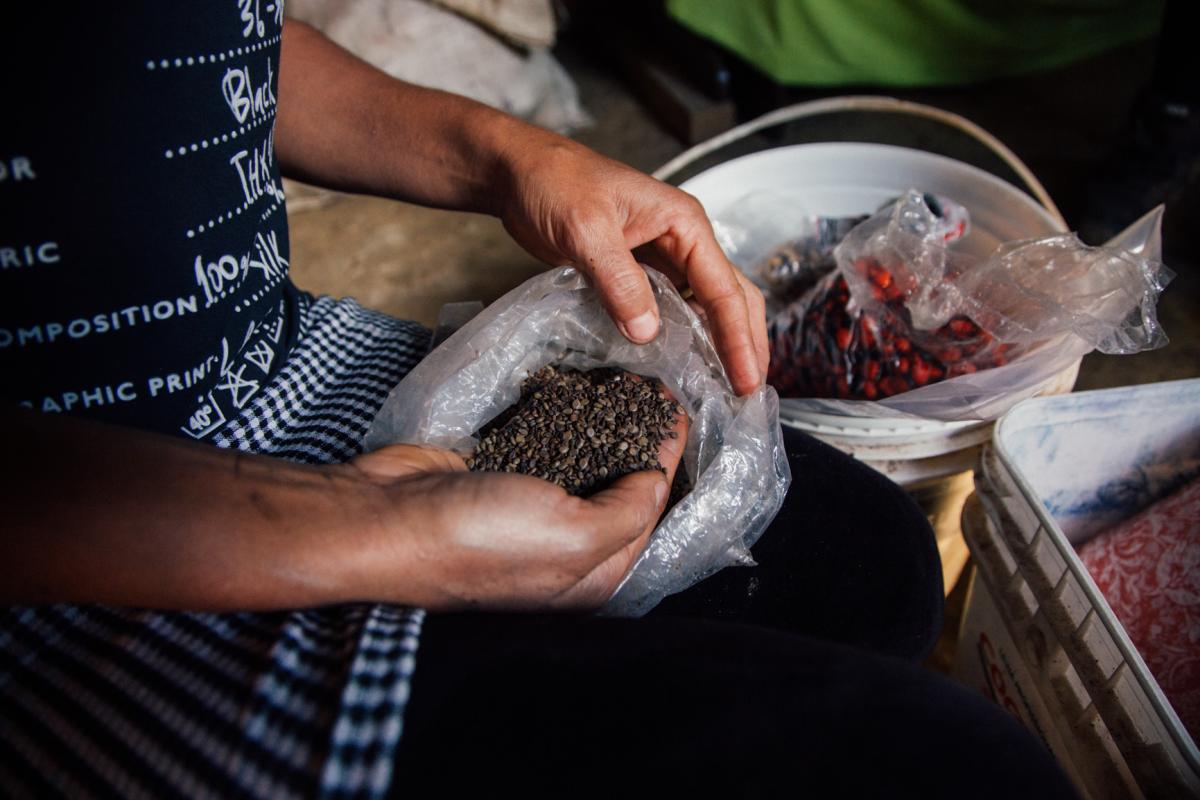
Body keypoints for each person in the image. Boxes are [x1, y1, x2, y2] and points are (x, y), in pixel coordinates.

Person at [1, 6, 1078, 797]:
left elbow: (194, 47)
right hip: (76, 571)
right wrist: (362, 529)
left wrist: (507, 156)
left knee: (873, 560)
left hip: (270, 360)